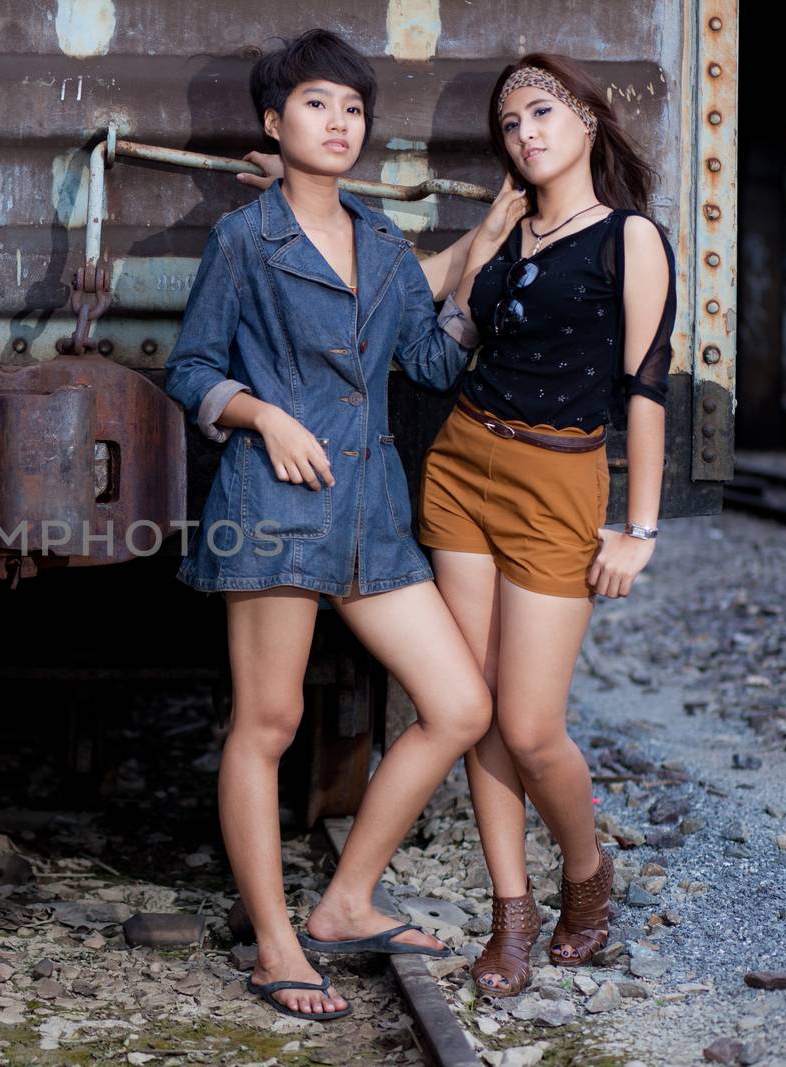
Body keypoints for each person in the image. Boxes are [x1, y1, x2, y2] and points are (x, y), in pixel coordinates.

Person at [164, 29, 504, 1022]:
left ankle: (348, 898)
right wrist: (262, 412)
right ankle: (276, 943)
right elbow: (190, 368)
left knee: (458, 704)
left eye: (353, 108)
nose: (339, 122)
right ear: (275, 123)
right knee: (266, 724)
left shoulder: (386, 246)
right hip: (272, 507)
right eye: (317, 104)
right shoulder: (246, 238)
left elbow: (431, 369)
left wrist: (484, 277)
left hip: (371, 514)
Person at [420, 55, 676, 997]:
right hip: (458, 466)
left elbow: (646, 390)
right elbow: (421, 308)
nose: (525, 134)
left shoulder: (630, 238)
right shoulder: (507, 235)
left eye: (542, 113)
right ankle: (511, 914)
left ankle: (586, 876)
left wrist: (637, 529)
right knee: (479, 707)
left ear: (589, 121)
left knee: (532, 725)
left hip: (556, 480)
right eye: (510, 125)